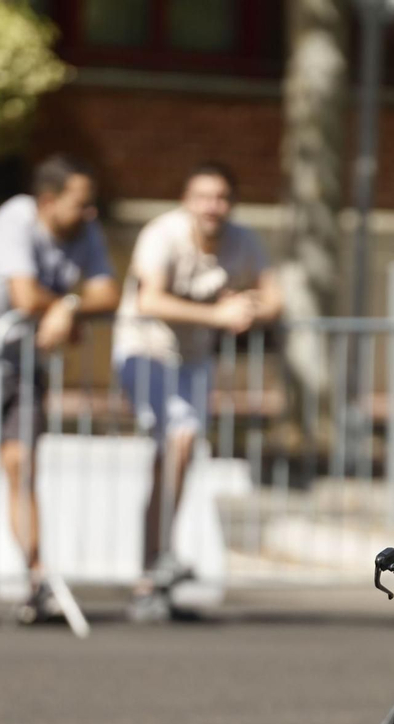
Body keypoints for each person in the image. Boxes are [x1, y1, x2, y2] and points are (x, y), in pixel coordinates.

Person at [0, 155, 120, 627]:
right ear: (49, 201)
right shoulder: (15, 218)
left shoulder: (85, 229)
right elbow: (25, 296)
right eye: (80, 204)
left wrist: (69, 307)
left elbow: (109, 293)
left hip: (20, 357)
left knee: (22, 463)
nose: (89, 213)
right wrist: (64, 309)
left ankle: (37, 581)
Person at [112, 162, 281, 622]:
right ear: (187, 201)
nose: (214, 206)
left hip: (192, 359)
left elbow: (274, 297)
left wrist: (245, 305)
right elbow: (149, 299)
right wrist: (218, 316)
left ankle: (157, 565)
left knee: (176, 455)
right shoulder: (162, 234)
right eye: (204, 196)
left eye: (222, 197)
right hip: (144, 349)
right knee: (179, 439)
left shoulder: (243, 240)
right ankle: (155, 563)